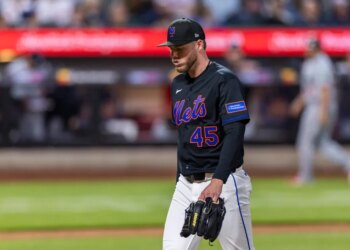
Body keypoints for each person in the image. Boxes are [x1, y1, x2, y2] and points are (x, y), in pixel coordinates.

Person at [158, 18, 254, 250]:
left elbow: (234, 131)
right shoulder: (177, 84)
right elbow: (184, 139)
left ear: (199, 45)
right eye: (171, 49)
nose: (174, 55)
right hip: (186, 181)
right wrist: (179, 178)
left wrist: (219, 180)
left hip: (225, 180)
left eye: (180, 48)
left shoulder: (224, 80)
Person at [289, 38, 350, 184]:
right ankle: (348, 163)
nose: (307, 50)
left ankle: (306, 176)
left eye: (311, 48)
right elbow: (309, 88)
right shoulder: (310, 62)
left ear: (317, 49)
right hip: (316, 104)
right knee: (323, 142)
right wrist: (299, 102)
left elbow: (325, 88)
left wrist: (323, 111)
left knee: (305, 142)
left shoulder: (323, 63)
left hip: (320, 105)